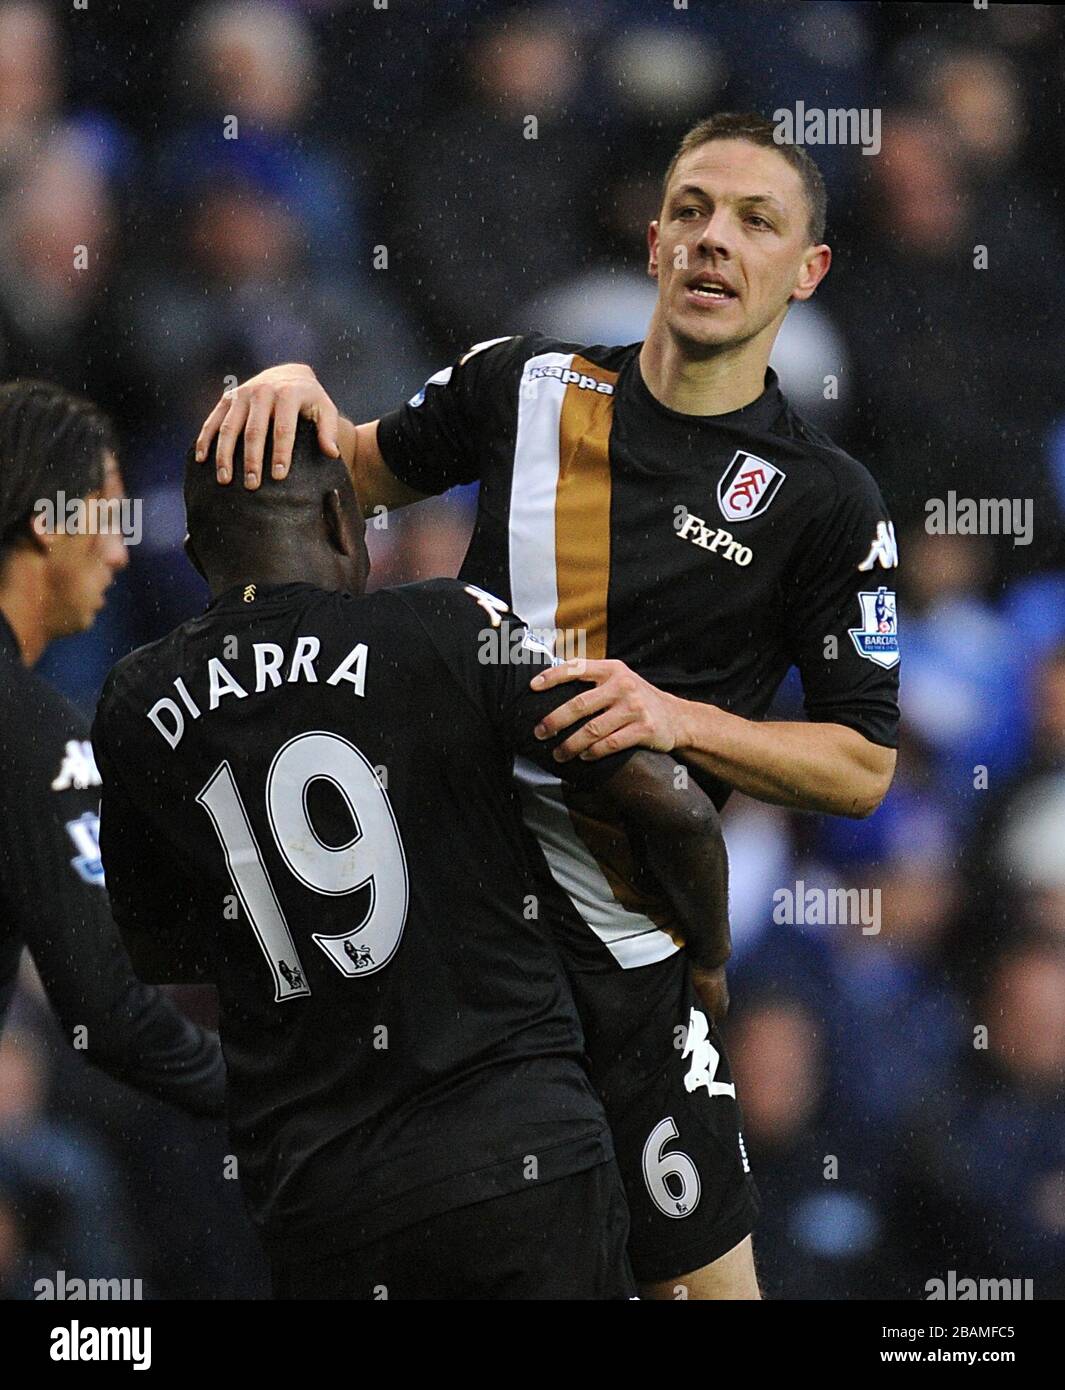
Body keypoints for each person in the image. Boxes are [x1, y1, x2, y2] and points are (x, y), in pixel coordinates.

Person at [197, 110, 903, 1297]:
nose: (714, 241)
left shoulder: (827, 501)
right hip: (453, 940)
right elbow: (339, 487)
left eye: (754, 221)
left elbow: (863, 763)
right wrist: (287, 386)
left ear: (807, 269)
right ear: (652, 244)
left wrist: (677, 718)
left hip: (629, 957)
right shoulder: (521, 384)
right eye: (691, 212)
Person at [91, 420, 735, 1300]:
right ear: (337, 517)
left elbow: (158, 949)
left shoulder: (134, 702)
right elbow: (677, 806)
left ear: (199, 546)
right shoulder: (445, 622)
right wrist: (706, 955)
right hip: (518, 1158)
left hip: (325, 1205)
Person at [0, 379, 224, 1115]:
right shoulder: (33, 732)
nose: (122, 552)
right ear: (44, 520)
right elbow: (109, 1013)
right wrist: (288, 1102)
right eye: (107, 515)